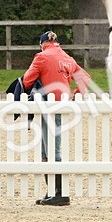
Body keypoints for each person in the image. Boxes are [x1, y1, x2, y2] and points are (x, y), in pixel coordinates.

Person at [22, 31, 94, 206]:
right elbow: (85, 79)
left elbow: (26, 81)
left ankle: (59, 193)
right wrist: (74, 95)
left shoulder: (41, 57)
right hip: (61, 105)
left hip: (47, 104)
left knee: (50, 150)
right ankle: (53, 191)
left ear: (42, 44)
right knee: (51, 148)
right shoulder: (68, 58)